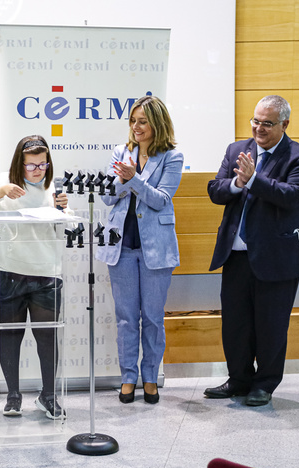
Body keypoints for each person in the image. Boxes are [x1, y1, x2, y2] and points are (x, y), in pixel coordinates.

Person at [205, 95, 299, 406]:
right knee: (235, 324)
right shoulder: (235, 150)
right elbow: (216, 190)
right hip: (236, 254)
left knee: (271, 325)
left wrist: (253, 179)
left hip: (277, 258)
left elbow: (292, 196)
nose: (258, 128)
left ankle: (264, 384)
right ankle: (238, 379)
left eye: (267, 123)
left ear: (285, 124)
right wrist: (237, 184)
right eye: (255, 121)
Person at [0, 135, 69, 419]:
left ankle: (48, 396)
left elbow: (65, 229)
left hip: (46, 273)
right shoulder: (4, 180)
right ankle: (13, 394)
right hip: (7, 271)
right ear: (19, 164)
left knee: (47, 337)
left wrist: (64, 210)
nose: (38, 170)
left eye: (43, 164)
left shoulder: (55, 188)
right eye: (31, 166)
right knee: (9, 337)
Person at [96, 95, 183, 404]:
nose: (135, 127)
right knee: (126, 317)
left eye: (142, 121)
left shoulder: (172, 157)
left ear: (157, 123)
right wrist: (124, 179)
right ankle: (128, 377)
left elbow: (160, 200)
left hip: (155, 250)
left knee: (153, 318)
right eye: (132, 121)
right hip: (121, 247)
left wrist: (133, 179)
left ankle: (150, 377)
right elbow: (108, 198)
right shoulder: (121, 152)